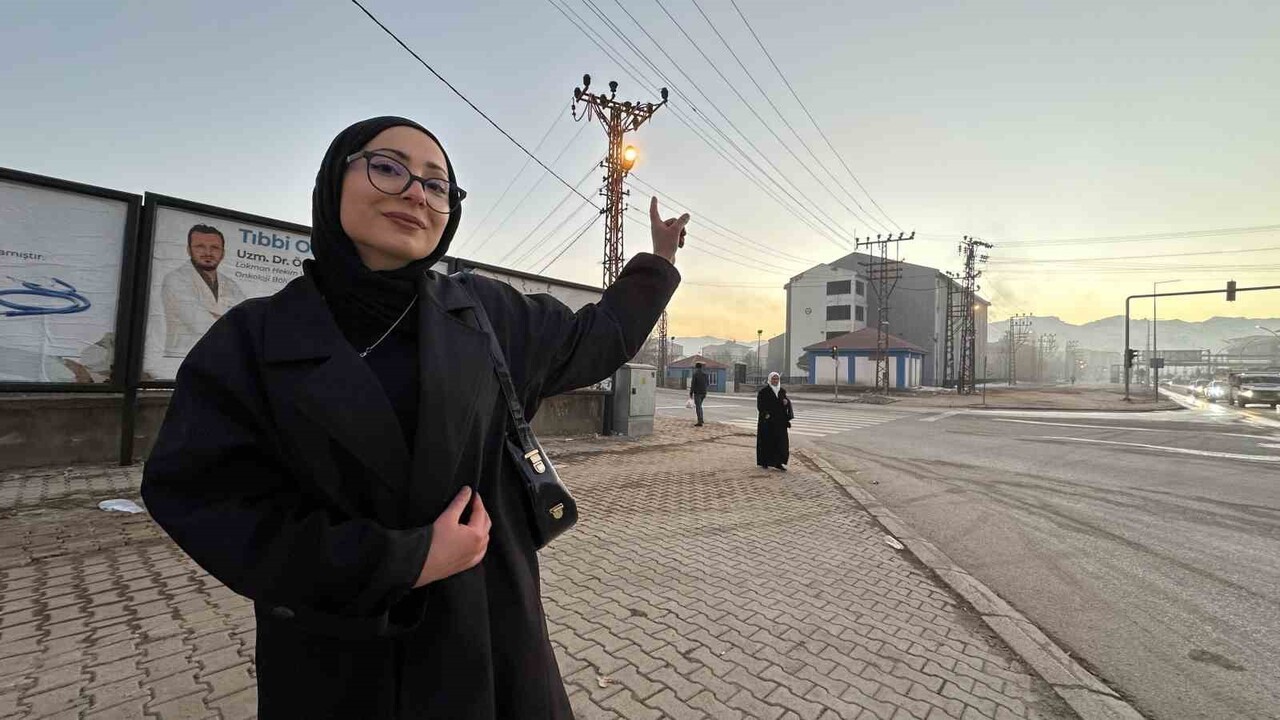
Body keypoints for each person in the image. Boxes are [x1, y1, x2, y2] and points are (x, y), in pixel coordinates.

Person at [141, 116, 689, 719]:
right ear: (333, 182)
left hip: (491, 648)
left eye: (437, 185)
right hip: (338, 664)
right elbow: (201, 498)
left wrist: (658, 262)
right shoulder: (252, 340)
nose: (415, 194)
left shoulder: (486, 314)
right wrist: (401, 562)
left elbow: (598, 336)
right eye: (388, 167)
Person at [160, 224, 248, 357]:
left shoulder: (231, 285)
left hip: (224, 358)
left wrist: (217, 317)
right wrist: (230, 320)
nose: (208, 253)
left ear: (223, 253)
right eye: (200, 247)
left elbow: (246, 321)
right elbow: (200, 323)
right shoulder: (175, 279)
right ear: (189, 250)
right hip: (183, 358)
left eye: (214, 248)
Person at [757, 372, 792, 470]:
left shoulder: (782, 391)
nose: (775, 381)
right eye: (773, 379)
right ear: (769, 380)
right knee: (767, 442)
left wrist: (786, 402)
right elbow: (760, 406)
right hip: (768, 422)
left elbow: (786, 403)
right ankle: (765, 462)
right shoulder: (764, 392)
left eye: (777, 379)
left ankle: (778, 462)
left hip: (780, 422)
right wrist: (765, 414)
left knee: (781, 443)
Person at [690, 360, 709, 426]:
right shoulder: (705, 374)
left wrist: (691, 393)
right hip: (704, 392)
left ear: (696, 367)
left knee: (698, 407)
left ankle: (700, 421)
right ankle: (701, 419)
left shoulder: (695, 374)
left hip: (697, 393)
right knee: (700, 406)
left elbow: (693, 384)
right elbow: (707, 383)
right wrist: (705, 390)